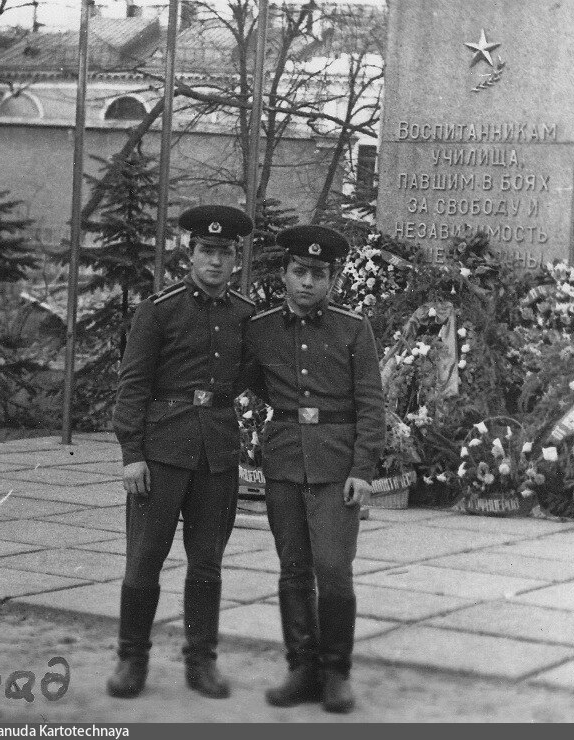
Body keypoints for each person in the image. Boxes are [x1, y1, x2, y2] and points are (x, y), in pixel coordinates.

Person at [107, 204, 256, 700]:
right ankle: (132, 659)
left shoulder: (244, 315)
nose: (215, 262)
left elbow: (248, 380)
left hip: (216, 455)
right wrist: (132, 454)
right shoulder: (160, 310)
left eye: (225, 254)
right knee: (145, 559)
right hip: (162, 451)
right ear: (189, 253)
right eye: (206, 251)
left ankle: (201, 661)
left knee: (207, 562)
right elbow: (132, 386)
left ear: (236, 259)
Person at [244, 224, 386, 714]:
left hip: (335, 467)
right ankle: (301, 669)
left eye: (318, 274)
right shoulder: (261, 329)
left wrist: (362, 469)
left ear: (333, 279)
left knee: (334, 569)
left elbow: (371, 403)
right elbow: (254, 383)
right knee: (293, 571)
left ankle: (336, 673)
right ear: (284, 273)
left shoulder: (352, 328)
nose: (307, 282)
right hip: (284, 463)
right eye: (299, 271)